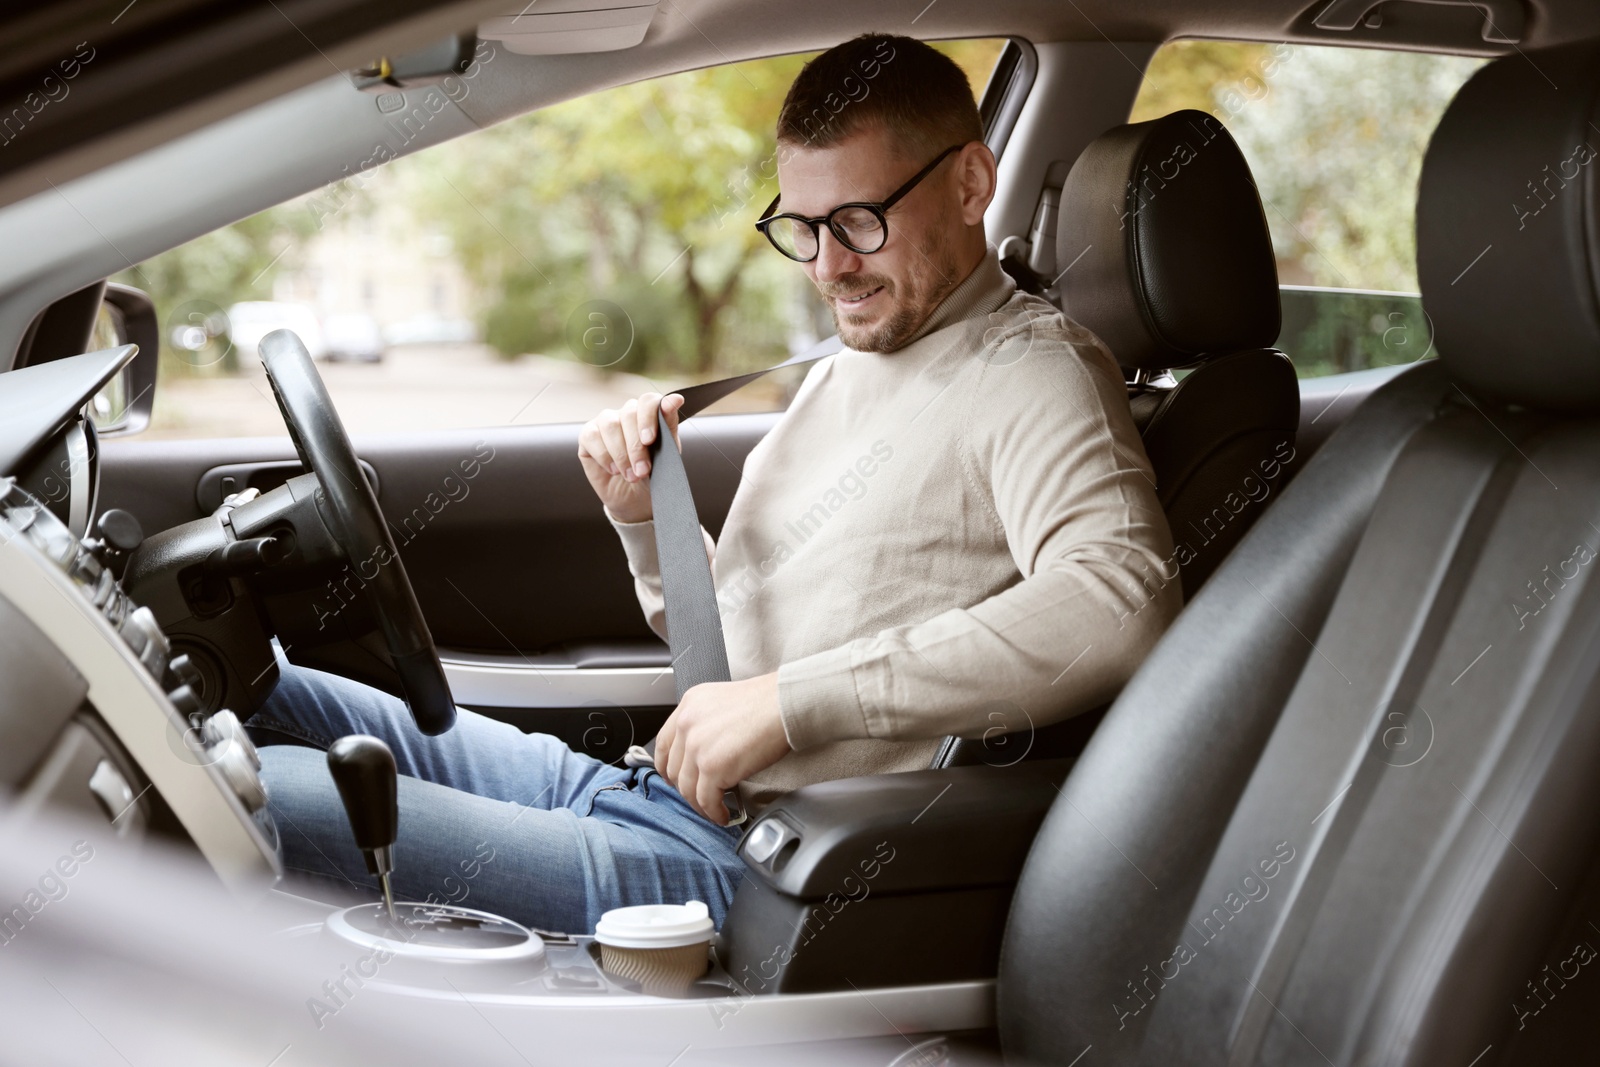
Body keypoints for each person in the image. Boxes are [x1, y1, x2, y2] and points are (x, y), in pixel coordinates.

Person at [253, 34, 1180, 935]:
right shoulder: (855, 359)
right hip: (643, 790)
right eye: (801, 227)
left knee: (264, 794)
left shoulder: (1032, 372)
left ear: (973, 182)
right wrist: (642, 516)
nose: (828, 266)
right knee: (258, 683)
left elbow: (1118, 600)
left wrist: (791, 702)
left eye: (860, 221)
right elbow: (732, 653)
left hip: (745, 864)